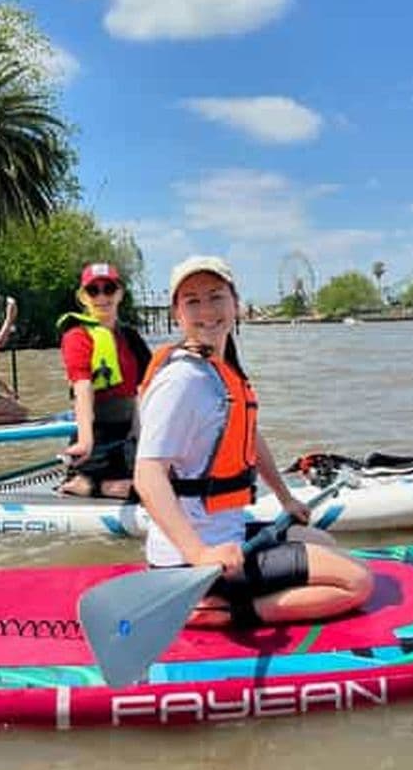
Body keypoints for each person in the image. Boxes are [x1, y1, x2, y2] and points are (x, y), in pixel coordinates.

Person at [135, 255, 374, 628]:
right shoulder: (182, 380)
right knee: (357, 582)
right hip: (191, 563)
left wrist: (285, 497)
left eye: (216, 297)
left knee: (320, 541)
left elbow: (250, 435)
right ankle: (226, 612)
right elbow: (148, 476)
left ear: (236, 303)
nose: (207, 311)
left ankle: (223, 596)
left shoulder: (220, 368)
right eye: (192, 301)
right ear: (177, 313)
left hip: (226, 534)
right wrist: (199, 554)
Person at [58, 262, 151, 498]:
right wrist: (86, 441)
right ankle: (86, 484)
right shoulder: (77, 336)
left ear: (119, 293)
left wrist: (141, 435)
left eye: (108, 289)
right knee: (142, 490)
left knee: (168, 480)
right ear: (83, 297)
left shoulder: (130, 337)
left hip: (128, 432)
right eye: (93, 290)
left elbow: (146, 387)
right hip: (97, 437)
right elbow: (82, 388)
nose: (102, 297)